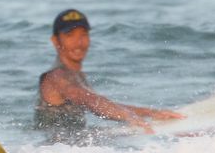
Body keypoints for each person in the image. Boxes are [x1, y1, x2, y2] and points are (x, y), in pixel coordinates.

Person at [37, 8, 183, 135]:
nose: (78, 42)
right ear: (55, 41)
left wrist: (150, 113)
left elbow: (99, 101)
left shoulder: (76, 75)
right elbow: (89, 100)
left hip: (70, 149)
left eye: (83, 34)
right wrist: (128, 116)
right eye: (70, 35)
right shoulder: (56, 76)